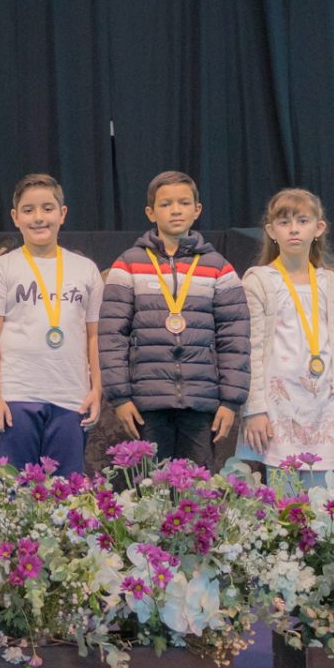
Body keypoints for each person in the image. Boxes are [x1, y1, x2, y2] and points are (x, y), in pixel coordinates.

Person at [100, 171, 249, 465]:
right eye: (166, 204)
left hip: (201, 401)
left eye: (184, 203)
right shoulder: (128, 264)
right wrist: (120, 397)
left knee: (197, 485)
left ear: (197, 209)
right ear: (150, 212)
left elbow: (235, 338)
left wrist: (231, 401)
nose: (176, 210)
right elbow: (111, 336)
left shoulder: (218, 267)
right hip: (146, 402)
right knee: (152, 485)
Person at [0, 174, 104, 476]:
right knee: (15, 492)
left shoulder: (86, 270)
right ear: (15, 217)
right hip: (15, 397)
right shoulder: (1, 269)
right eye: (28, 210)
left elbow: (94, 337)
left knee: (67, 492)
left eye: (47, 208)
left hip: (72, 398)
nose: (38, 218)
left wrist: (97, 388)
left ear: (62, 213)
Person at [236, 189, 334, 485]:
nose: (293, 229)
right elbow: (251, 349)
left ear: (319, 228)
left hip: (327, 405)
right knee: (284, 500)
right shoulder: (259, 280)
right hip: (278, 406)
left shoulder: (333, 284)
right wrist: (254, 409)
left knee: (323, 500)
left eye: (302, 221)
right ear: (271, 231)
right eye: (284, 222)